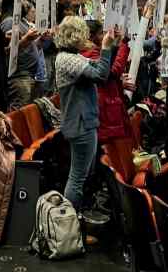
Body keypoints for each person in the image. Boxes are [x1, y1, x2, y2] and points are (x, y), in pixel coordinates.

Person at [55, 16, 120, 211]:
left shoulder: (71, 57)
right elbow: (100, 75)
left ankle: (76, 217)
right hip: (80, 124)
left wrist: (113, 47)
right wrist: (106, 48)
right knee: (77, 178)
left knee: (82, 174)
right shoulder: (67, 59)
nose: (88, 38)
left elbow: (101, 68)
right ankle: (68, 222)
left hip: (83, 122)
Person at [83, 20, 131, 144]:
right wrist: (123, 45)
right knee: (107, 149)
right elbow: (112, 73)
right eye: (100, 33)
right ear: (91, 36)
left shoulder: (95, 50)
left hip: (106, 103)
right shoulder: (89, 52)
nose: (103, 36)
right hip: (103, 106)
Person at [0, 0, 40, 111]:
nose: (25, 3)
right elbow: (8, 50)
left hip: (28, 75)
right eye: (22, 0)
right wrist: (27, 39)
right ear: (13, 4)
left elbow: (27, 45)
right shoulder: (9, 22)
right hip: (19, 76)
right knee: (19, 114)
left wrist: (40, 40)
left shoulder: (20, 21)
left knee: (27, 112)